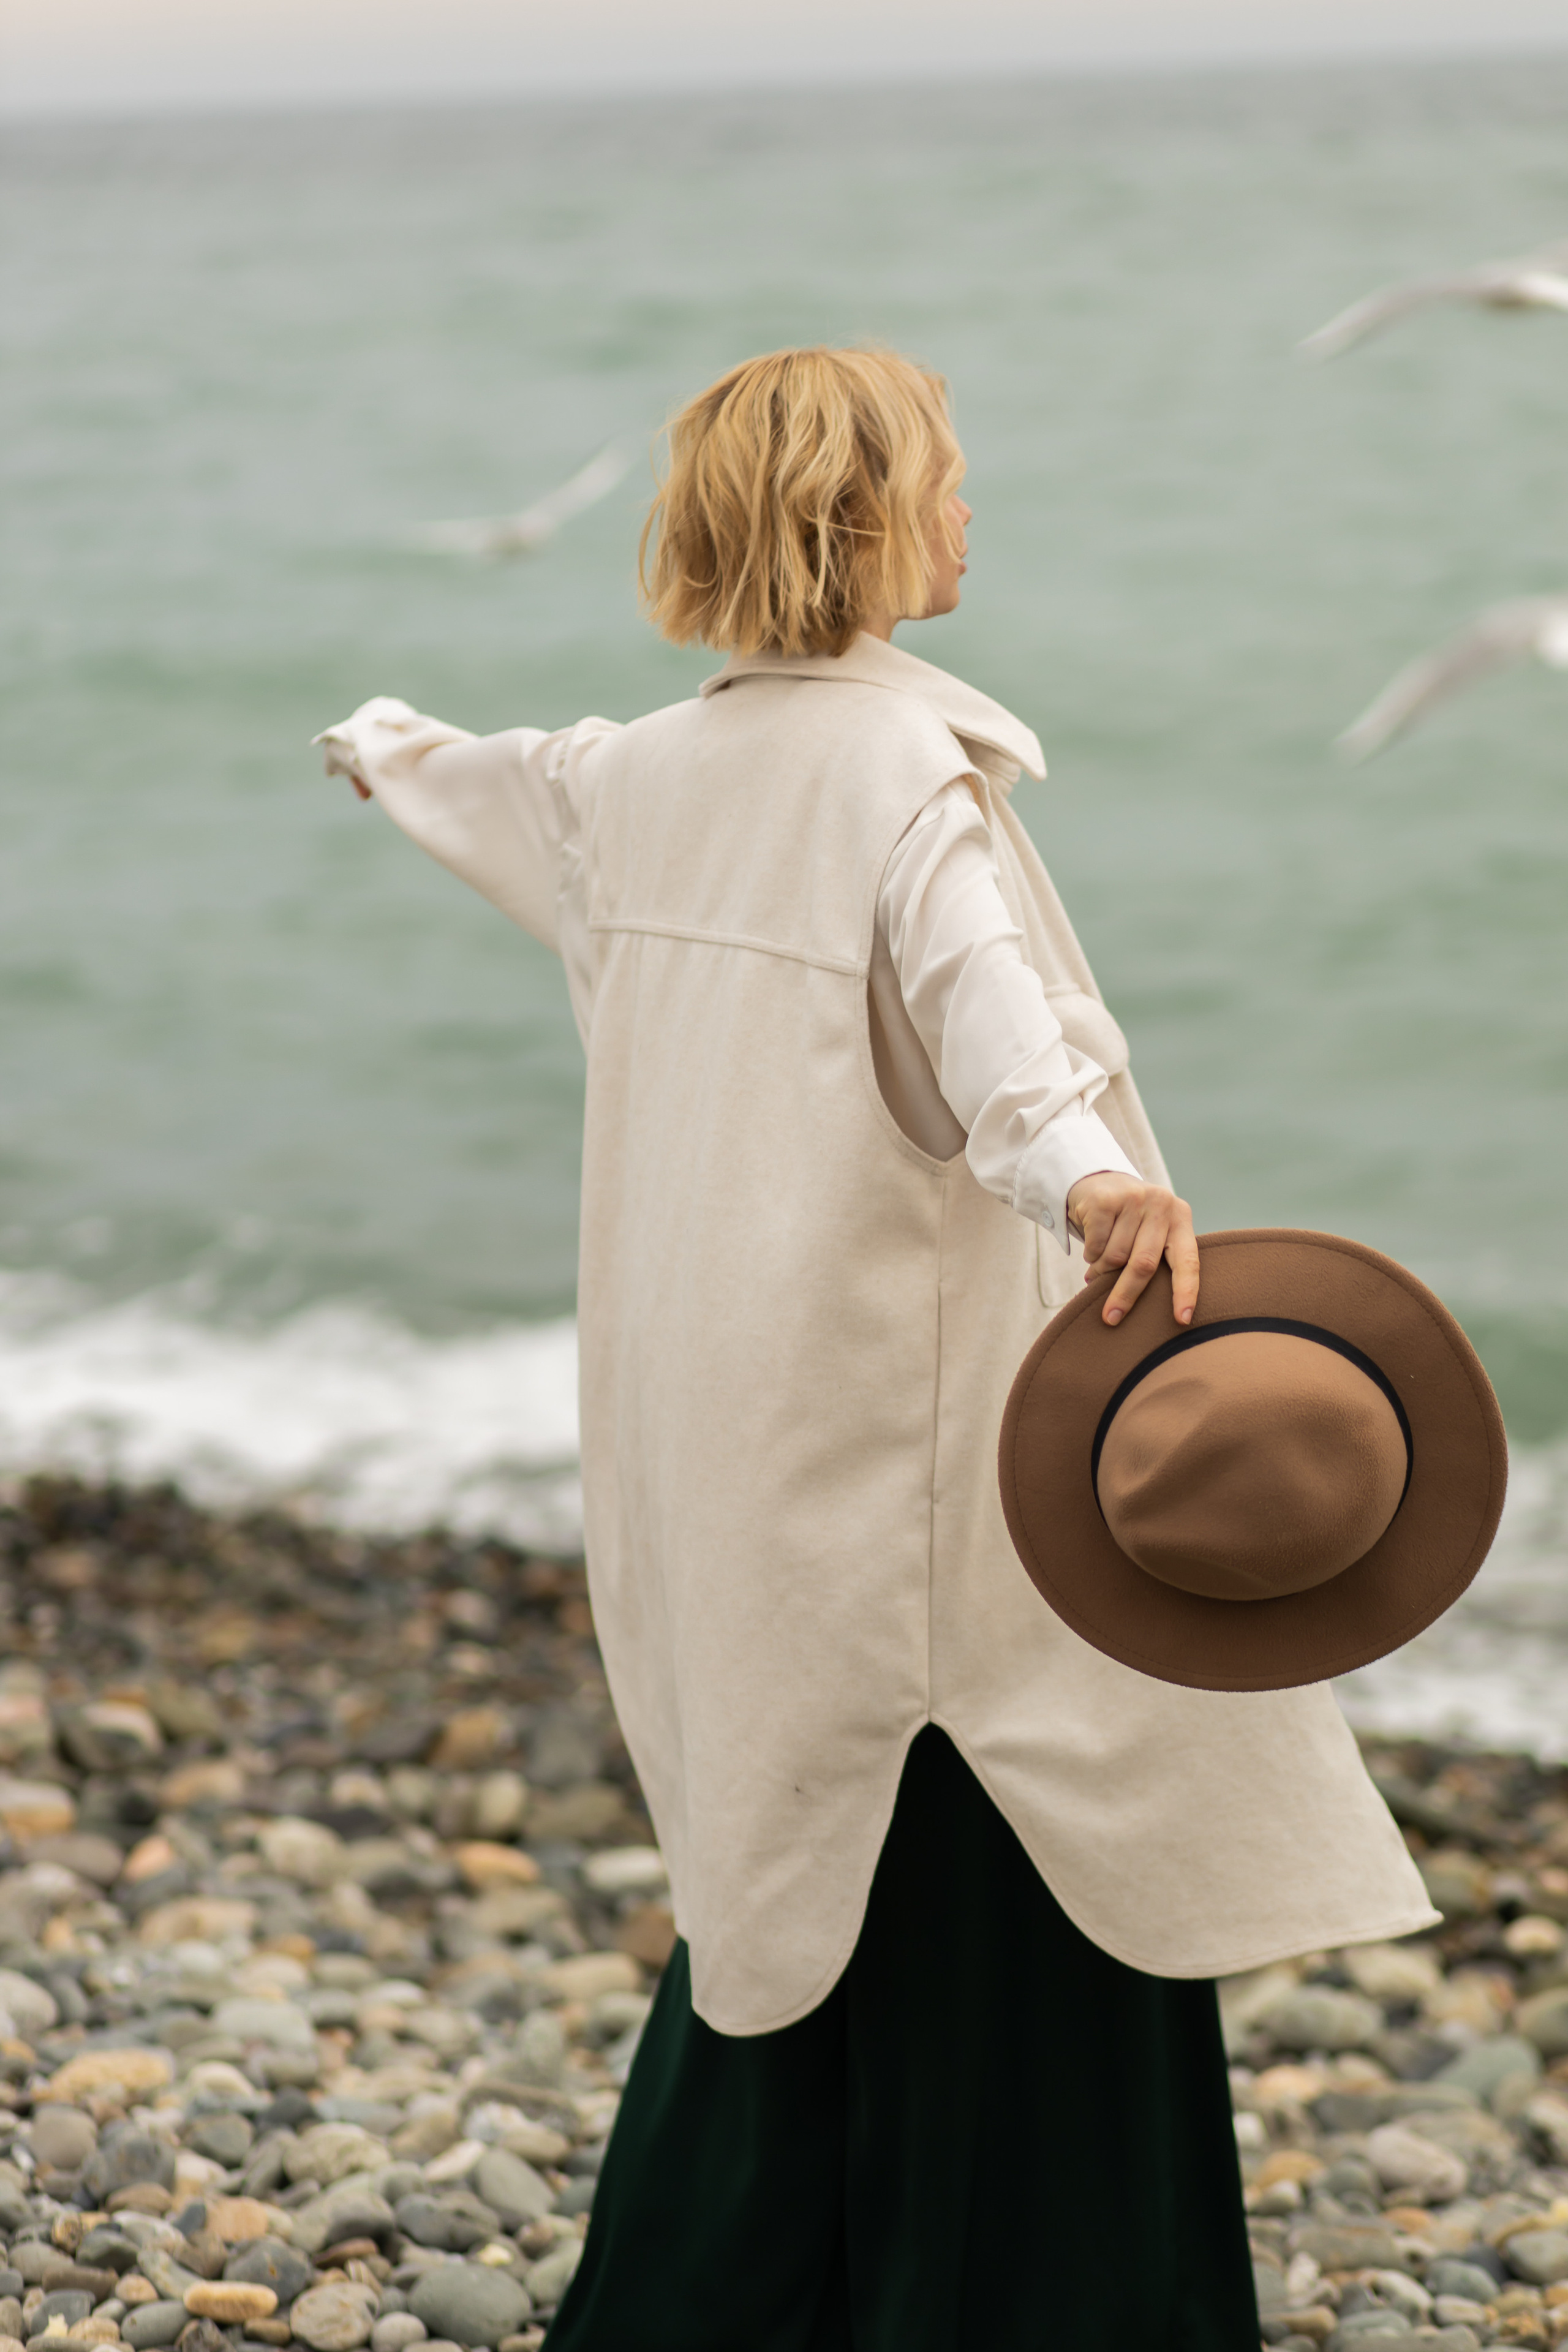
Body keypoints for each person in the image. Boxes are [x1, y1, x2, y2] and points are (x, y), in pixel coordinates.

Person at [317, 347, 1435, 2350]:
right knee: (1028, 1850)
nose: (970, 509)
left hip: (725, 1462)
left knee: (783, 1884)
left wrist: (384, 742)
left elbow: (482, 782)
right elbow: (992, 1013)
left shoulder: (636, 779)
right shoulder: (899, 776)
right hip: (932, 1484)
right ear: (858, 524)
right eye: (946, 479)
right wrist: (1096, 1186)